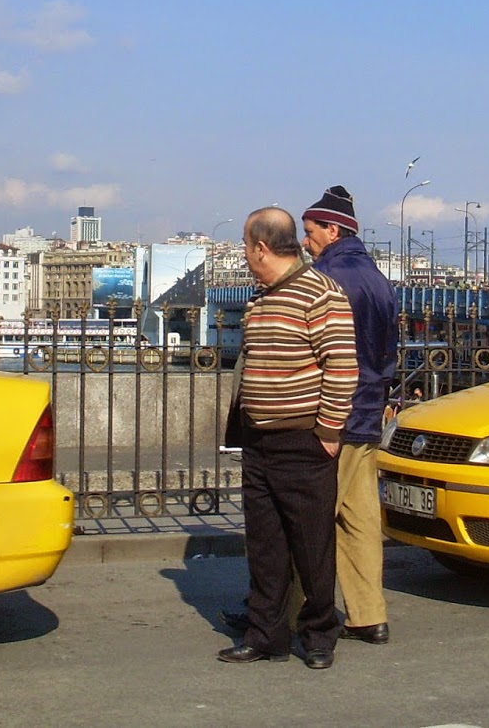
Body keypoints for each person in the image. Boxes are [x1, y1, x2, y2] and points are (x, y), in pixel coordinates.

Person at [218, 208, 357, 671]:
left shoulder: (320, 294)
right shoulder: (260, 299)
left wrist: (329, 431)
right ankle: (266, 635)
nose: (242, 253)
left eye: (244, 243)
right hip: (260, 443)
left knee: (312, 546)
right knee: (265, 546)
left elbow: (342, 366)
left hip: (303, 442)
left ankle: (319, 635)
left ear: (261, 247)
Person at [299, 185, 398, 644]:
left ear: (333, 229)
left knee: (308, 517)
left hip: (332, 416)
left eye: (311, 230)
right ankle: (369, 615)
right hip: (368, 414)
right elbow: (387, 353)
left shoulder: (325, 277)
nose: (305, 241)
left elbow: (318, 353)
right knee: (359, 518)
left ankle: (286, 612)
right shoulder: (377, 279)